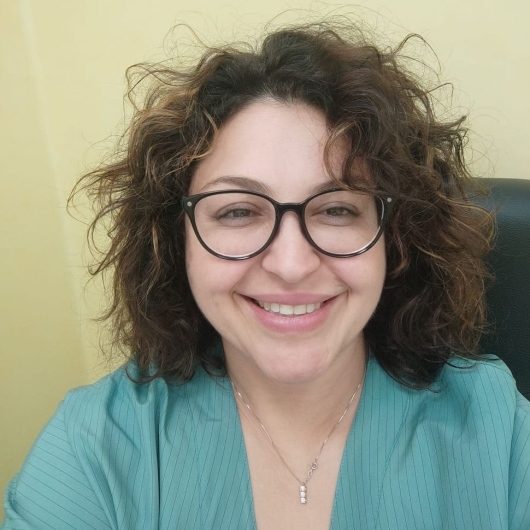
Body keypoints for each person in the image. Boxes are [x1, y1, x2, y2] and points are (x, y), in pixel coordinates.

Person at [2, 19, 529, 530]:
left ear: (395, 239)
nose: (292, 265)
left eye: (337, 209)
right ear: (175, 241)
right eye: (237, 211)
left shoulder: (498, 430)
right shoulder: (94, 448)